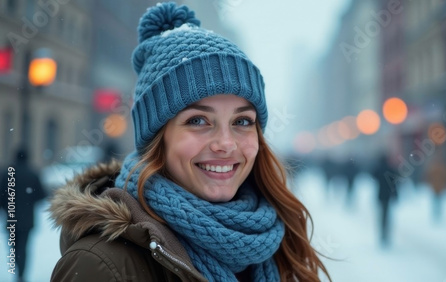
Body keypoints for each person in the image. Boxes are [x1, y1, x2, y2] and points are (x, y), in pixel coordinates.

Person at [49, 2, 331, 281]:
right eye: (198, 120)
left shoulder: (279, 246)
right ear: (158, 138)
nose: (226, 143)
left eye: (242, 121)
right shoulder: (100, 266)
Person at [1, 148, 47, 282]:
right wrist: (29, 201)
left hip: (11, 217)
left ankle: (17, 269)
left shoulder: (7, 173)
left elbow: (1, 195)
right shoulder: (32, 173)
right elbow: (41, 195)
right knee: (24, 247)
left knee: (13, 246)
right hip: (27, 218)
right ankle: (21, 273)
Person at [372, 153, 399, 247]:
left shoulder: (379, 169)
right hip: (388, 195)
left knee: (382, 215)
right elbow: (394, 183)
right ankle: (386, 234)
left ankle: (382, 234)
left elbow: (373, 176)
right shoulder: (390, 169)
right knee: (387, 215)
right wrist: (396, 195)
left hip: (380, 195)